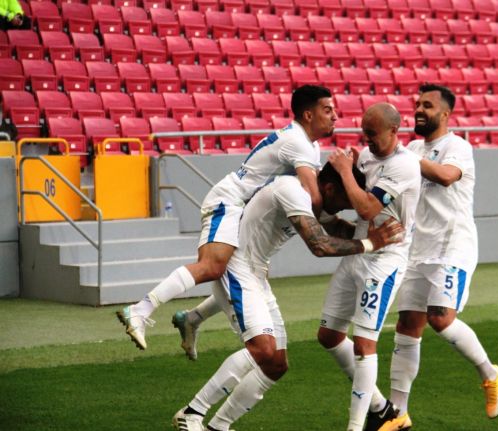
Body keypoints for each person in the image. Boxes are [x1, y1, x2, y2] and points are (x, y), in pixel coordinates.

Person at [172, 163, 405, 431]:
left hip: (255, 273)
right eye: (343, 203)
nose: (342, 210)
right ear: (329, 189)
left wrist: (378, 235)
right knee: (262, 349)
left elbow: (335, 228)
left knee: (275, 364)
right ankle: (192, 412)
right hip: (237, 267)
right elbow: (320, 245)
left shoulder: (315, 198)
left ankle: (218, 426)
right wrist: (371, 243)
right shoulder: (292, 190)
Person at [117, 85, 336, 351]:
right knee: (212, 266)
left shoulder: (309, 145)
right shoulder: (298, 142)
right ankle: (140, 310)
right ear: (308, 114)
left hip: (245, 210)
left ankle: (192, 318)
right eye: (328, 110)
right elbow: (314, 198)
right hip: (229, 202)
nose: (335, 116)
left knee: (249, 276)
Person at [376, 84, 498, 431]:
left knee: (440, 318)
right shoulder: (413, 148)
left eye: (428, 106)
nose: (419, 110)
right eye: (418, 104)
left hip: (452, 247)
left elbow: (447, 176)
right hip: (417, 249)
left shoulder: (457, 146)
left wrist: (401, 157)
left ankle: (490, 374)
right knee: (407, 326)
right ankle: (398, 413)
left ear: (445, 114)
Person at [317, 103, 421, 431]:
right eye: (364, 133)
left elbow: (367, 208)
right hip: (360, 250)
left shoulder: (404, 165)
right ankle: (383, 409)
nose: (367, 140)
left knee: (364, 344)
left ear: (394, 131)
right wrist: (348, 168)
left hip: (384, 261)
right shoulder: (365, 156)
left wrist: (345, 171)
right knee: (329, 335)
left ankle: (356, 426)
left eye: (372, 134)